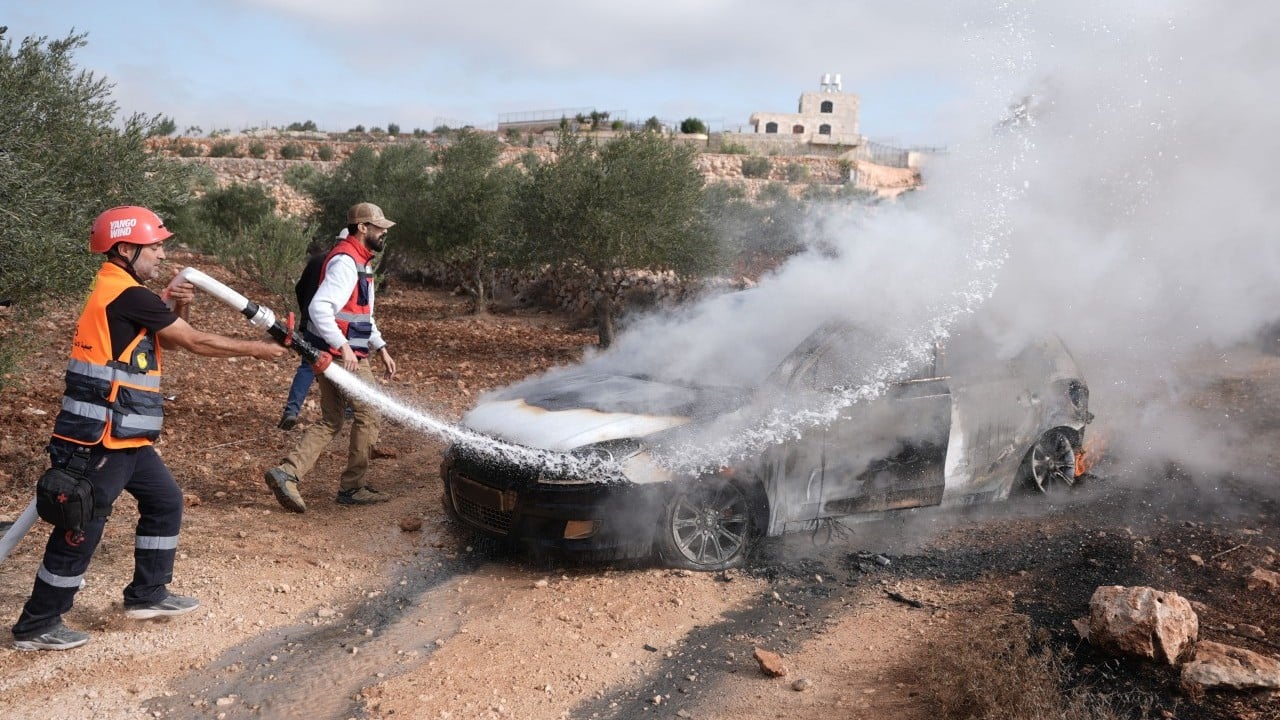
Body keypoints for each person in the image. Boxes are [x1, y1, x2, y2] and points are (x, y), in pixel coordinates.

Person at [12, 206, 287, 651]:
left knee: (165, 502)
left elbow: (140, 349)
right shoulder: (125, 294)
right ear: (125, 248)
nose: (162, 253)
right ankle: (37, 624)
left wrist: (171, 303)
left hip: (125, 436)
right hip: (97, 438)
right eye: (155, 245)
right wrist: (259, 350)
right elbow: (194, 342)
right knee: (81, 526)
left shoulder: (122, 291)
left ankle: (147, 595)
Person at [264, 202, 398, 513]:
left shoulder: (360, 262)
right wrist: (345, 347)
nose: (383, 233)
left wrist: (381, 347)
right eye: (379, 227)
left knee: (332, 419)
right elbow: (320, 308)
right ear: (362, 228)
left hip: (337, 352)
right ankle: (353, 488)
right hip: (342, 356)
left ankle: (287, 472)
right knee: (371, 412)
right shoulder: (346, 263)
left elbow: (362, 313)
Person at [277, 230, 345, 431]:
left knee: (307, 366)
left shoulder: (317, 261)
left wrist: (306, 313)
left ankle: (291, 411)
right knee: (344, 366)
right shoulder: (346, 265)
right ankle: (349, 409)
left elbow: (300, 288)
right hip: (335, 326)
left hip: (311, 325)